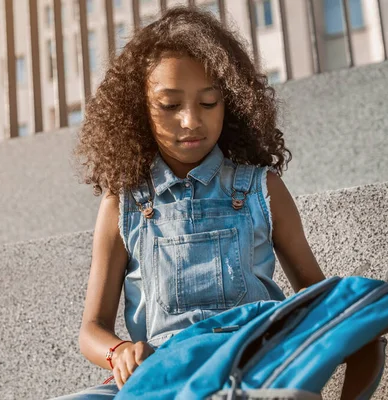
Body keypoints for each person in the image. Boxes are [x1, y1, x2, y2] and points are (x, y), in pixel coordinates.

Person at [51, 6, 325, 399]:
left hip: (248, 373)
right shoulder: (122, 204)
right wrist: (120, 353)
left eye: (209, 103)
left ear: (231, 103)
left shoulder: (262, 189)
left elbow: (319, 300)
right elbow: (91, 330)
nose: (191, 121)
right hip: (160, 378)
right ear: (138, 110)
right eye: (170, 105)